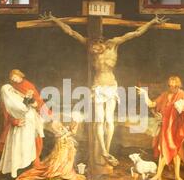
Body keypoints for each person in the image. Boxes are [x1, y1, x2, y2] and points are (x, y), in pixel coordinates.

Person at [42, 12, 166, 167]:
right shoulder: (89, 44)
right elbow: (71, 32)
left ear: (102, 44)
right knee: (99, 121)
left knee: (109, 121)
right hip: (98, 87)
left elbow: (135, 33)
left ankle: (106, 150)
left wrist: (152, 21)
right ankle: (103, 151)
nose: (93, 52)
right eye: (92, 50)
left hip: (111, 86)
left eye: (96, 49)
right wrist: (55, 19)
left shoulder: (113, 44)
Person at [137, 76, 184, 180]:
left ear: (178, 85)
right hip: (166, 126)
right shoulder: (165, 95)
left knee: (177, 151)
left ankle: (176, 176)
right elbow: (152, 104)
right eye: (170, 85)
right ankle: (160, 175)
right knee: (163, 149)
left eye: (174, 85)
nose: (172, 87)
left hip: (177, 127)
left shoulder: (182, 94)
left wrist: (183, 108)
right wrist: (144, 94)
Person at [0, 69, 47, 179]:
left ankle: (31, 165)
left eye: (16, 77)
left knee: (33, 144)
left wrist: (32, 101)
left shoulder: (26, 86)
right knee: (19, 147)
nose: (14, 80)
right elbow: (13, 110)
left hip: (31, 122)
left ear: (20, 76)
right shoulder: (9, 93)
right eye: (12, 78)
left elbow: (36, 102)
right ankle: (18, 170)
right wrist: (14, 121)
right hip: (21, 125)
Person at [14, 117, 87, 180]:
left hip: (66, 144)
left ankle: (64, 173)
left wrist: (68, 132)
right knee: (60, 159)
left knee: (65, 160)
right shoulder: (55, 124)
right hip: (62, 144)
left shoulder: (64, 124)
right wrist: (66, 134)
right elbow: (59, 134)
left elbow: (68, 132)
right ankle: (60, 173)